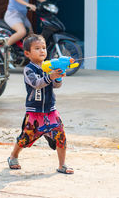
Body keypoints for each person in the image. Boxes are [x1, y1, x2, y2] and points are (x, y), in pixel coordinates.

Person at [8, 34, 74, 174]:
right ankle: (13, 156)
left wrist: (58, 77)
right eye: (37, 48)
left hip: (51, 110)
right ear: (27, 53)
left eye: (43, 48)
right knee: (25, 138)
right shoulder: (29, 70)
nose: (42, 51)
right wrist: (51, 76)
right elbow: (37, 84)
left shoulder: (49, 67)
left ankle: (62, 165)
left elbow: (56, 86)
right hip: (34, 111)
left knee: (61, 136)